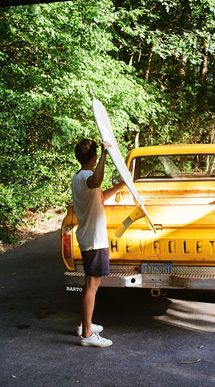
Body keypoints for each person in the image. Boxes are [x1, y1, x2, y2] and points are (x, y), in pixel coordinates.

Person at [72, 138, 124, 347]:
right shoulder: (87, 176)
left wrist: (120, 186)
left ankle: (85, 324)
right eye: (96, 155)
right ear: (93, 157)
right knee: (92, 286)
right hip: (93, 239)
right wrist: (105, 153)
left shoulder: (79, 176)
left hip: (90, 237)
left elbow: (99, 195)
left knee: (91, 285)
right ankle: (87, 335)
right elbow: (96, 181)